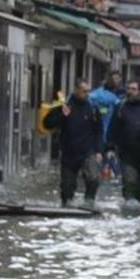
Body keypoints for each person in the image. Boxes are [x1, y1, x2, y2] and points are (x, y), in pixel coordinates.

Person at [43, 77, 103, 207]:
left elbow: (98, 131)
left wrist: (99, 151)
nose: (87, 94)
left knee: (93, 178)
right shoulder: (64, 105)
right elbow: (47, 124)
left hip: (87, 151)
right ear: (76, 90)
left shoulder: (92, 107)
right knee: (67, 189)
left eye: (88, 91)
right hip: (68, 152)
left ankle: (89, 203)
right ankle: (67, 207)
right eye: (84, 91)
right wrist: (62, 115)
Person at [109, 79, 140, 204]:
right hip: (127, 154)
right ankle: (128, 211)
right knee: (129, 183)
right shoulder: (121, 107)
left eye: (133, 89)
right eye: (128, 88)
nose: (129, 92)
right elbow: (113, 128)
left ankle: (137, 214)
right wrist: (110, 148)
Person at [90, 72, 124, 178]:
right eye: (114, 78)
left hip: (109, 137)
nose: (116, 81)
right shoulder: (105, 96)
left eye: (118, 79)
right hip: (104, 136)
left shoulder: (121, 94)